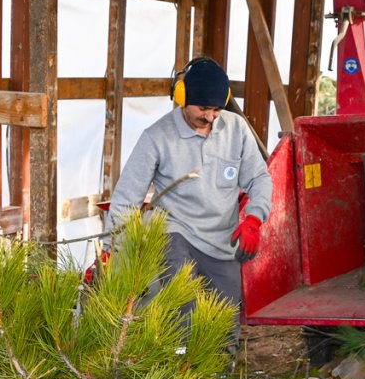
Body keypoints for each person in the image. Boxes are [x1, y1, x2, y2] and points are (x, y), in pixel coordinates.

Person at [106, 57, 272, 342]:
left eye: (217, 109)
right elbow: (126, 198)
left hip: (221, 241)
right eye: (203, 108)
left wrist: (255, 219)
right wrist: (112, 251)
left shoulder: (236, 129)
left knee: (225, 320)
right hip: (176, 233)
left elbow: (259, 178)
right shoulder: (156, 137)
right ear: (181, 98)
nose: (210, 117)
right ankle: (178, 374)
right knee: (184, 311)